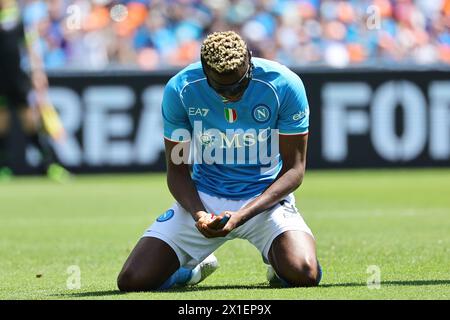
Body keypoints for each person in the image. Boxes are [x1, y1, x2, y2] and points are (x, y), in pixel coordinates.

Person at [117, 31, 321, 291]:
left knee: (304, 272)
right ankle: (192, 270)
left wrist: (241, 216)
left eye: (239, 84)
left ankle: (277, 261)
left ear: (249, 60)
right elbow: (177, 171)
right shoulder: (180, 89)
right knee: (132, 281)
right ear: (205, 70)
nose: (231, 95)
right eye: (222, 88)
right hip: (205, 200)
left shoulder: (284, 84)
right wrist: (200, 214)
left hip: (264, 201)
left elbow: (294, 169)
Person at [0, 0, 69, 182]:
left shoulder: (20, 17)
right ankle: (4, 167)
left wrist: (38, 71)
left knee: (31, 121)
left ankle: (49, 164)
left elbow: (30, 47)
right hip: (1, 79)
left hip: (17, 78)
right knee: (2, 123)